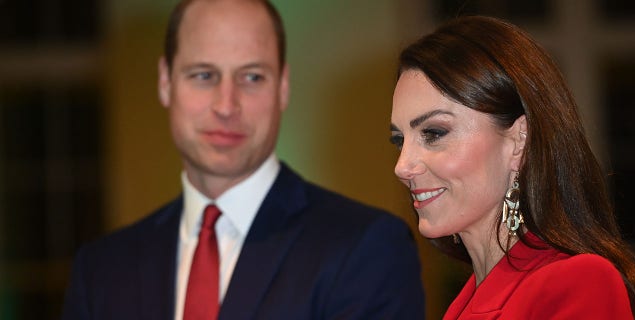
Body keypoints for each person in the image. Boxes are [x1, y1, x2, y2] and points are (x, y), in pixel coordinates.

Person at [61, 0, 426, 319]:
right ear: (164, 82)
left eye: (251, 77)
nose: (226, 105)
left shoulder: (365, 250)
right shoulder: (101, 270)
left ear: (283, 86)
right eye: (203, 75)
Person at [389, 15, 635, 319]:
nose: (402, 167)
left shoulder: (577, 282)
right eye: (400, 140)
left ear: (519, 140)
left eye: (434, 133)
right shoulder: (464, 305)